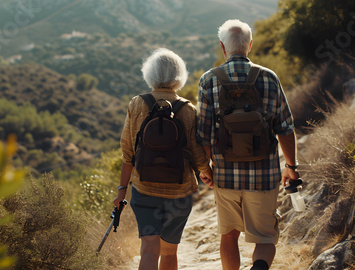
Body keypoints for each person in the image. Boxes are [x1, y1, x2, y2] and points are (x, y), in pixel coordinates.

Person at [196, 19, 300, 270]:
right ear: (250, 45)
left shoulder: (208, 80)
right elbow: (285, 128)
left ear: (223, 47)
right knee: (264, 237)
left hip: (225, 176)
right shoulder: (269, 78)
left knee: (229, 234)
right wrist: (291, 166)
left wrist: (206, 170)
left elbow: (204, 135)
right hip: (264, 176)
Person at [113, 48, 213, 270]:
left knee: (149, 249)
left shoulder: (137, 104)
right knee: (169, 253)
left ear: (149, 74)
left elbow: (127, 152)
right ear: (179, 75)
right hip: (179, 193)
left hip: (144, 190)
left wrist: (121, 192)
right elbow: (197, 154)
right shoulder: (188, 110)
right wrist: (208, 174)